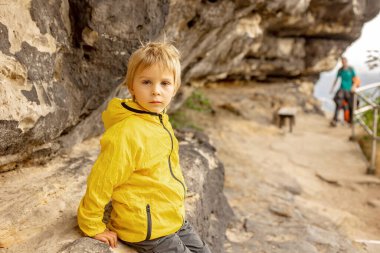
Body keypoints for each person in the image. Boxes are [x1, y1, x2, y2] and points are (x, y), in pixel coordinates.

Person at [77, 42, 211, 253]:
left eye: (165, 83)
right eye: (146, 82)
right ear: (132, 87)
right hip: (146, 227)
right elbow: (102, 179)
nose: (156, 91)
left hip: (169, 216)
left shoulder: (159, 120)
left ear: (175, 88)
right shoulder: (127, 132)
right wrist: (92, 225)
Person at [329, 57, 358, 127]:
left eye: (344, 61)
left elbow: (356, 79)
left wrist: (354, 86)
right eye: (342, 62)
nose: (344, 63)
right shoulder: (340, 70)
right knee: (338, 104)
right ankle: (335, 120)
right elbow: (336, 79)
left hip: (349, 90)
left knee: (351, 105)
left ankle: (350, 122)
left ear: (346, 62)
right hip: (342, 89)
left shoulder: (351, 69)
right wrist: (332, 88)